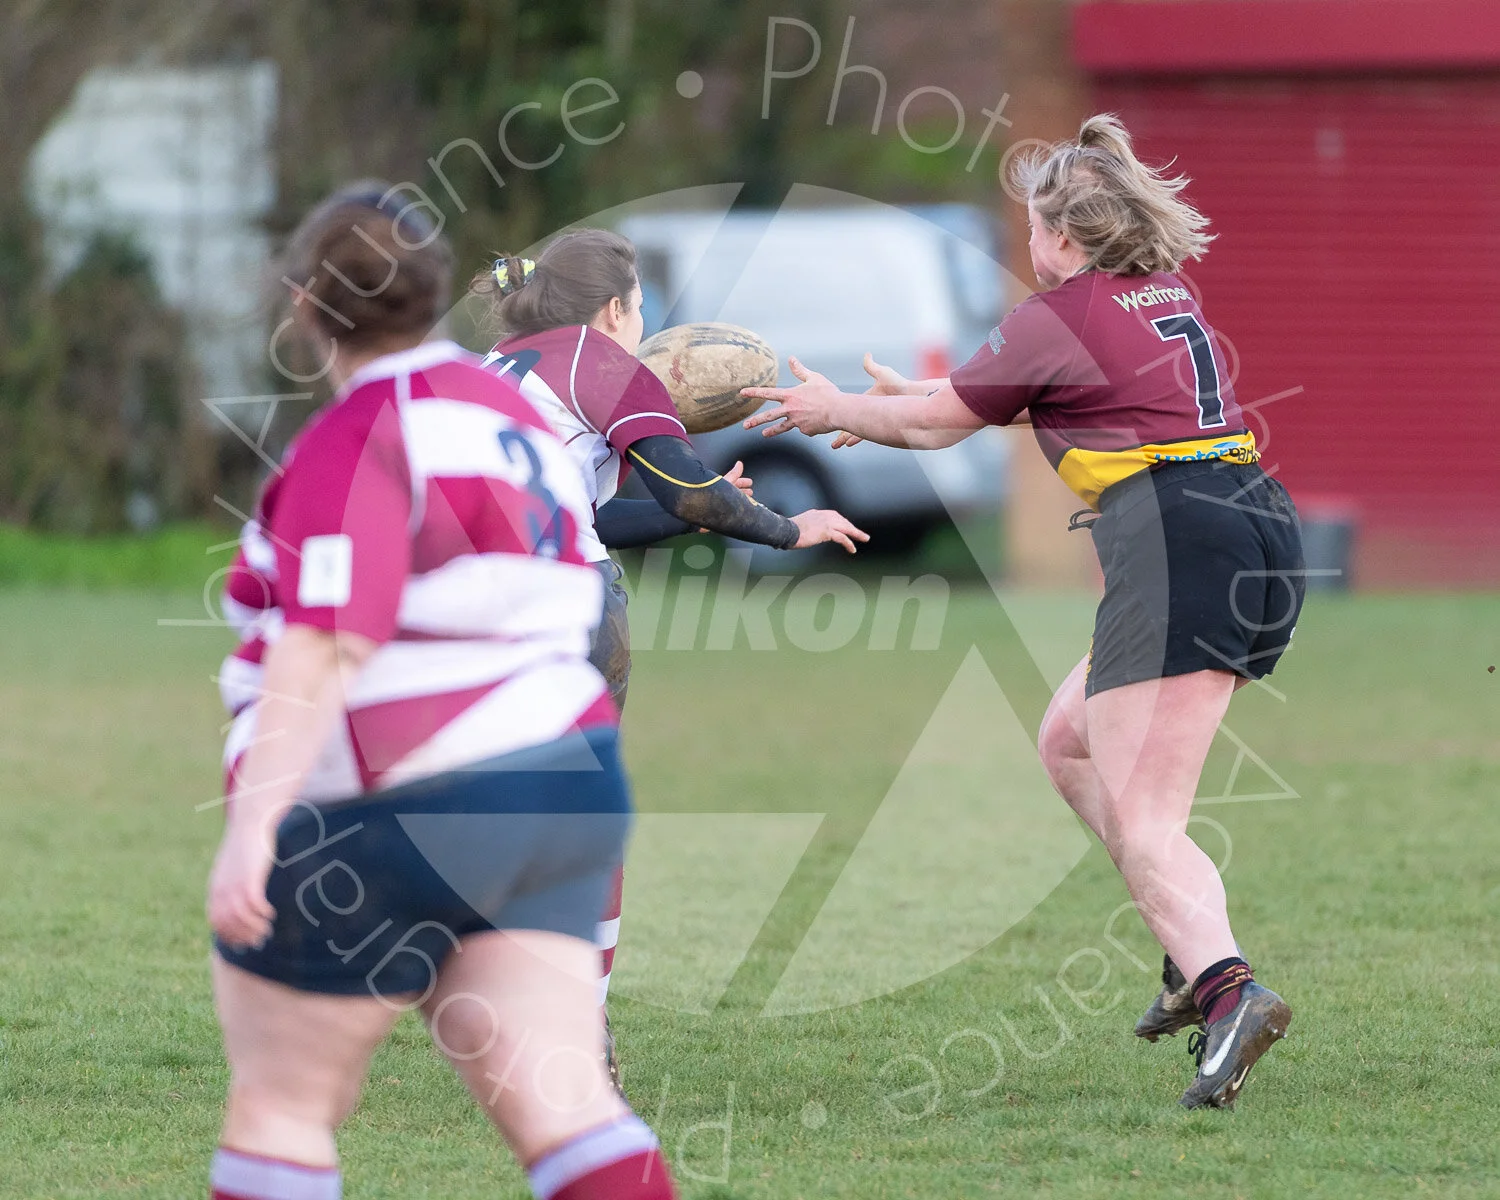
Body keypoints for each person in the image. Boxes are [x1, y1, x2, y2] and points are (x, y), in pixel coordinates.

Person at [742, 115, 1304, 1110]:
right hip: (1247, 526)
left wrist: (834, 411)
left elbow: (938, 420)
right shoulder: (1157, 292)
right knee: (1070, 743)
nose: (1025, 245)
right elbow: (971, 395)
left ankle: (1228, 993)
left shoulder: (1061, 312)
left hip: (1177, 544)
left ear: (1062, 239)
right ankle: (1192, 954)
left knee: (1146, 816)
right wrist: (892, 397)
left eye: (1032, 228)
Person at [207, 183, 679, 1200]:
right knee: (569, 1111)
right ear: (427, 295)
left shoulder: (359, 432)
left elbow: (328, 642)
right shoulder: (508, 408)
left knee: (283, 1107)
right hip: (566, 783)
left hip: (410, 796)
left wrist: (253, 827)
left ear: (304, 305)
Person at [471, 229, 868, 1079]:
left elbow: (587, 510)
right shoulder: (603, 362)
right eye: (640, 304)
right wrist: (784, 526)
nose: (644, 321)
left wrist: (705, 503)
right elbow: (686, 488)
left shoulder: (496, 366)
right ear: (616, 309)